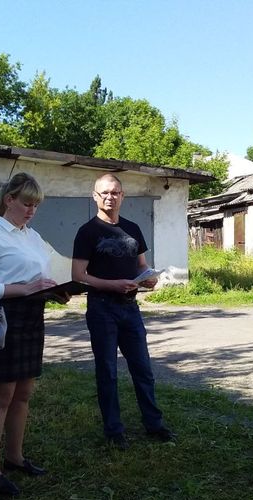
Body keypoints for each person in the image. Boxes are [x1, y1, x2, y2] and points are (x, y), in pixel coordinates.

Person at [0, 173, 66, 499]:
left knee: (24, 393)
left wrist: (55, 290)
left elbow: (42, 275)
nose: (31, 210)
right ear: (9, 199)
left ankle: (14, 456)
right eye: (26, 203)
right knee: (2, 396)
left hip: (32, 316)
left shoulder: (33, 237)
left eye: (36, 205)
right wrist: (25, 288)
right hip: (3, 318)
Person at [71, 173, 175, 449]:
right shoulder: (87, 232)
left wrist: (148, 276)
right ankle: (114, 430)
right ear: (95, 196)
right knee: (107, 371)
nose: (110, 197)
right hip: (101, 308)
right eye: (104, 192)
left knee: (143, 369)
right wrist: (111, 285)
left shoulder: (133, 228)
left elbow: (141, 264)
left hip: (130, 308)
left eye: (115, 192)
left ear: (123, 196)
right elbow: (79, 275)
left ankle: (154, 424)